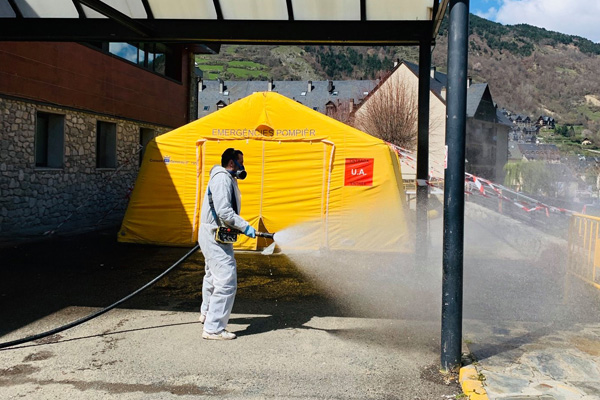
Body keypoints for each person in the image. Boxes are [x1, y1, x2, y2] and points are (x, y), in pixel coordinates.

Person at [198, 148, 256, 340]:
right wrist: (245, 226)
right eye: (241, 162)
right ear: (232, 163)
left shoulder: (225, 178)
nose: (243, 167)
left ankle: (207, 313)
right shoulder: (222, 178)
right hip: (214, 235)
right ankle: (213, 328)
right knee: (226, 279)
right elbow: (224, 211)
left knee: (212, 275)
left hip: (214, 233)